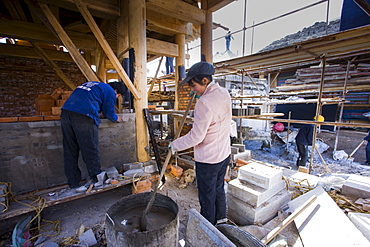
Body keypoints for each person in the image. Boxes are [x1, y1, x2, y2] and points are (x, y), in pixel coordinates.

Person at [169, 61, 232, 225]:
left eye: (193, 85)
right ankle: (221, 221)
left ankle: (208, 227)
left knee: (206, 195)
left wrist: (175, 145)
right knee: (218, 189)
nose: (192, 89)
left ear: (205, 81)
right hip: (224, 154)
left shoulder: (204, 103)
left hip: (209, 159)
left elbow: (196, 137)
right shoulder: (224, 93)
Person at [61, 81, 123, 190]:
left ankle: (73, 183)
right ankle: (96, 178)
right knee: (90, 148)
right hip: (84, 116)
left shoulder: (93, 85)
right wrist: (115, 118)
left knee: (70, 150)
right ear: (116, 91)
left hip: (66, 113)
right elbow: (108, 111)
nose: (116, 97)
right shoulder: (109, 90)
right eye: (118, 96)